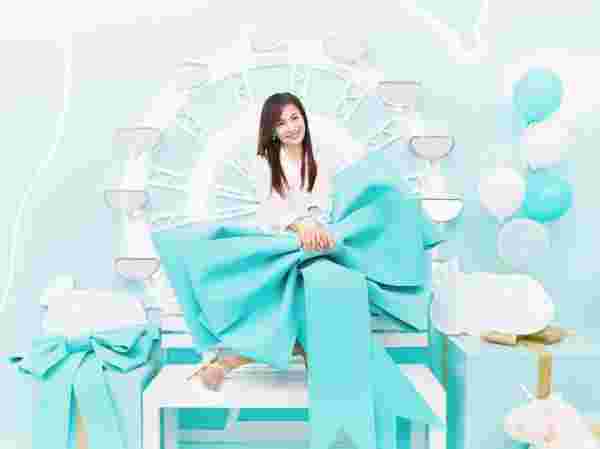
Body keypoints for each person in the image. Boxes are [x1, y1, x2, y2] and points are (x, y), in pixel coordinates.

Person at [188, 92, 337, 390]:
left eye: (295, 117)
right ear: (272, 130)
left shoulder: (319, 159)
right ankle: (316, 380)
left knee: (315, 304)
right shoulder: (265, 162)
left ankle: (228, 363)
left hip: (313, 247)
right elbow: (272, 210)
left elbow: (324, 205)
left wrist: (314, 225)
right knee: (299, 306)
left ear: (304, 118)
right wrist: (301, 224)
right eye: (281, 123)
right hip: (280, 247)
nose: (291, 127)